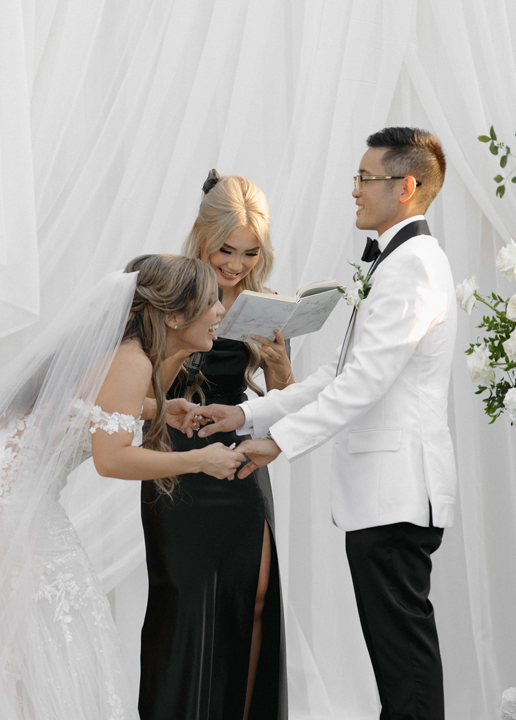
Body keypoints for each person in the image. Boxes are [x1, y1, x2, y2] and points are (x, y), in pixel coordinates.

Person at [0, 255, 245, 720]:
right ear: (173, 314)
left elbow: (85, 401)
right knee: (67, 611)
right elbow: (112, 458)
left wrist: (159, 409)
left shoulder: (121, 350)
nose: (221, 311)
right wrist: (198, 459)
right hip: (10, 489)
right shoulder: (133, 358)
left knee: (15, 624)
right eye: (210, 302)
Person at [191, 127, 456, 719]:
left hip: (396, 495)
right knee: (397, 666)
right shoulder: (393, 262)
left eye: (366, 179)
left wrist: (275, 444)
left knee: (405, 669)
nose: (355, 191)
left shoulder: (411, 267)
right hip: (381, 497)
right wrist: (245, 412)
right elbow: (338, 376)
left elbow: (364, 385)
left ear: (406, 187)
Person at [138, 172, 290, 720]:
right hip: (175, 462)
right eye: (226, 249)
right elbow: (135, 387)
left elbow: (284, 404)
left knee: (252, 602)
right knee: (182, 609)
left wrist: (278, 365)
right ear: (202, 236)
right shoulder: (169, 292)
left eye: (250, 253)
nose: (236, 264)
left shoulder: (266, 304)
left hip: (242, 466)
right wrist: (194, 328)